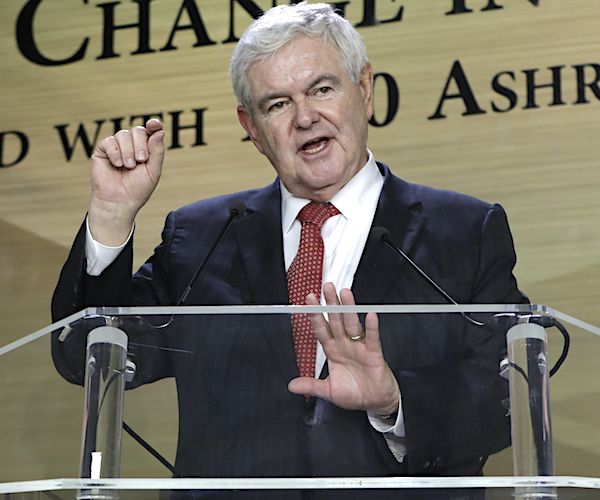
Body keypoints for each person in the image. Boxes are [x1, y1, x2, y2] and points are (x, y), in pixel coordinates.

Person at [51, 2, 526, 496]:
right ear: (251, 127)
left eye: (322, 89)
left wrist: (395, 404)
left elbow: (508, 395)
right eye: (277, 104)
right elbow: (84, 358)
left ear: (364, 90)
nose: (304, 117)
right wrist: (110, 216)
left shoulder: (465, 231)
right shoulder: (200, 237)